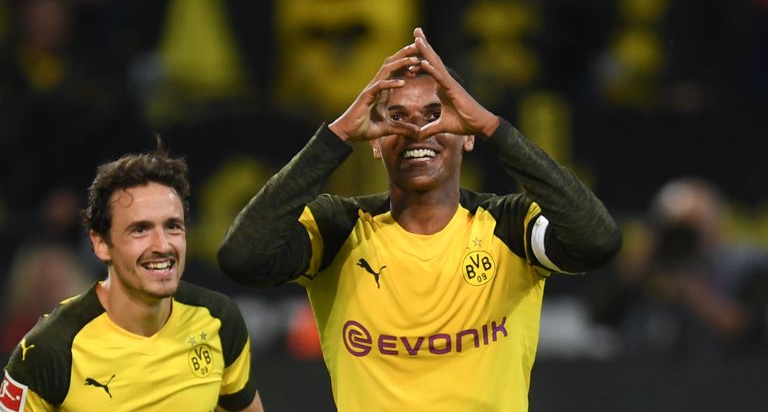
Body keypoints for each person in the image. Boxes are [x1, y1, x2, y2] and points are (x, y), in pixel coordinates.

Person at [218, 27, 621, 411]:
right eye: (397, 117)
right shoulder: (341, 229)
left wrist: (494, 128)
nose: (418, 131)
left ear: (467, 132)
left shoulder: (508, 227)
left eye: (436, 114)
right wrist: (336, 136)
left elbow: (597, 241)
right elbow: (243, 258)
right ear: (374, 140)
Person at [1, 143, 264, 411]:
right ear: (101, 244)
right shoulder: (49, 349)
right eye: (140, 229)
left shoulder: (218, 319)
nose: (162, 245)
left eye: (173, 226)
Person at [588, 177, 768, 358]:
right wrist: (636, 269)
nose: (682, 240)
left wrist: (689, 287)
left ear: (715, 226)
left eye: (692, 229)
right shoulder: (641, 265)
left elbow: (747, 329)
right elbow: (596, 315)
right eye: (675, 230)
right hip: (644, 377)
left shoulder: (745, 265)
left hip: (723, 379)